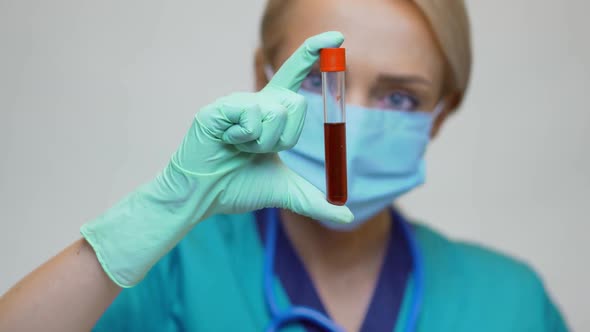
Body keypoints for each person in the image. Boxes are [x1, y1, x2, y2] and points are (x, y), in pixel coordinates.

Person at [0, 0, 569, 331]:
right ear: (263, 75)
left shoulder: (508, 303)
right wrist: (152, 215)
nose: (353, 123)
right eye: (323, 82)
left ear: (441, 115)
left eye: (400, 98)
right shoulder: (173, 276)